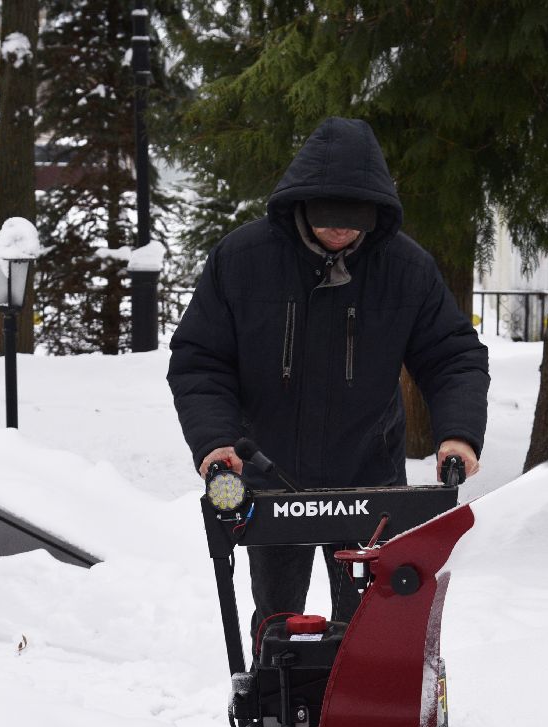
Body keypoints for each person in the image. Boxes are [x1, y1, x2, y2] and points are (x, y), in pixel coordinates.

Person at [168, 116, 489, 638]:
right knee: (277, 625)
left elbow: (453, 356)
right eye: (329, 218)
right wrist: (215, 441)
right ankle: (274, 686)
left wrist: (458, 434)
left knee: (367, 627)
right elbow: (201, 359)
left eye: (354, 219)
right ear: (301, 203)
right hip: (270, 479)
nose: (341, 230)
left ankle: (355, 693)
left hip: (369, 478)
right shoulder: (243, 260)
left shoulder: (406, 269)